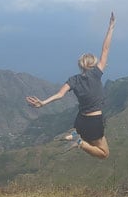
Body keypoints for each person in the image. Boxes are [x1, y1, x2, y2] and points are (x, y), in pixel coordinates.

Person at [26, 12, 116, 159]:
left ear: (80, 66)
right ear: (93, 64)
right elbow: (105, 49)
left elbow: (60, 95)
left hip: (80, 121)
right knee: (104, 154)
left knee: (84, 134)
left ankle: (75, 135)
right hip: (94, 122)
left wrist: (42, 103)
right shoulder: (97, 73)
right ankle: (79, 141)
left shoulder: (73, 80)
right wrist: (111, 27)